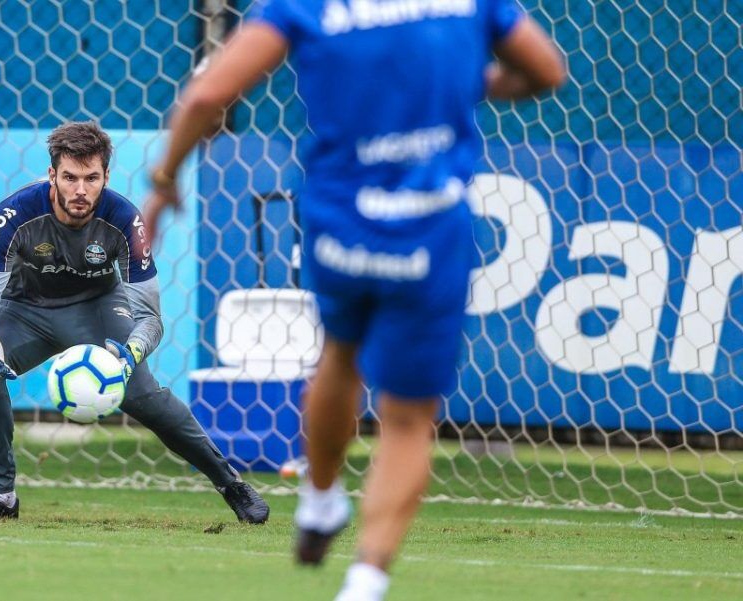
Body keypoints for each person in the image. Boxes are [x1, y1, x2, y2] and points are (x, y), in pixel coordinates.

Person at [142, 1, 564, 599]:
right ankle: (366, 580)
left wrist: (164, 180)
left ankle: (318, 498)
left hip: (343, 226)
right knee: (409, 417)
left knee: (339, 356)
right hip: (430, 229)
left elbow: (208, 97)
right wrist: (472, 85)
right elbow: (547, 71)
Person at [0, 121, 269, 524]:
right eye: (70, 177)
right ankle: (0, 495)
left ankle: (231, 484)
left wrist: (130, 354)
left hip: (97, 309)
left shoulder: (125, 221)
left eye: (91, 178)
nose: (80, 190)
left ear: (106, 177)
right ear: (52, 175)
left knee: (145, 398)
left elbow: (150, 317)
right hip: (26, 310)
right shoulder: (13, 215)